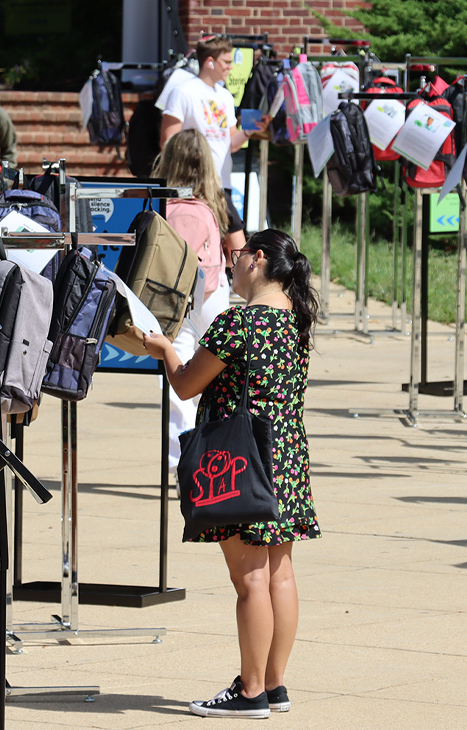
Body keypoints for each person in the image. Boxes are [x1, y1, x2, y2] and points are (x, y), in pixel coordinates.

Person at [142, 228, 320, 719]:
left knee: (250, 582)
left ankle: (250, 691)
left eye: (236, 257)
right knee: (280, 575)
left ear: (257, 260)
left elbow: (185, 385)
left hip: (240, 460)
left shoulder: (237, 324)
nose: (232, 265)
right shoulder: (296, 323)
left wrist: (164, 349)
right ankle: (275, 684)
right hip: (284, 455)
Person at [151, 129, 232, 470]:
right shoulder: (213, 202)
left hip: (174, 295)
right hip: (213, 291)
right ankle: (217, 451)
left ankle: (180, 458)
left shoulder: (160, 204)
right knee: (217, 371)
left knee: (176, 374)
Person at [159, 36, 252, 256]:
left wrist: (250, 130)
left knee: (235, 250)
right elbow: (168, 142)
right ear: (210, 62)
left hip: (221, 182)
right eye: (226, 62)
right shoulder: (183, 92)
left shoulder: (226, 97)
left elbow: (231, 145)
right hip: (193, 184)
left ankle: (219, 280)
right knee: (226, 247)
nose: (231, 67)